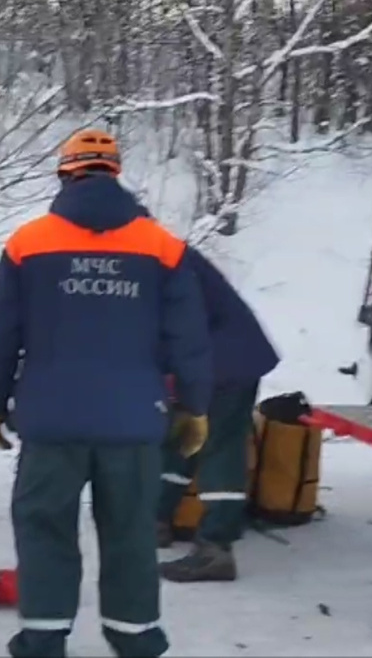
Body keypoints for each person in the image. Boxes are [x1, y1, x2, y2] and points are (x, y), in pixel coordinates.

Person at [0, 128, 214, 658]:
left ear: (65, 172)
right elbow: (189, 339)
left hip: (50, 421)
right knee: (130, 532)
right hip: (132, 423)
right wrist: (195, 407)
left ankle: (43, 638)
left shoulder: (27, 243)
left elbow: (0, 335)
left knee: (43, 529)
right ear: (116, 173)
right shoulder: (161, 245)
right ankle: (135, 640)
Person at [155, 246, 280, 583]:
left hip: (228, 362)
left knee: (218, 446)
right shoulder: (151, 253)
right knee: (178, 438)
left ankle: (216, 548)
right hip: (202, 360)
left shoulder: (161, 260)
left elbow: (183, 323)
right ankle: (156, 520)